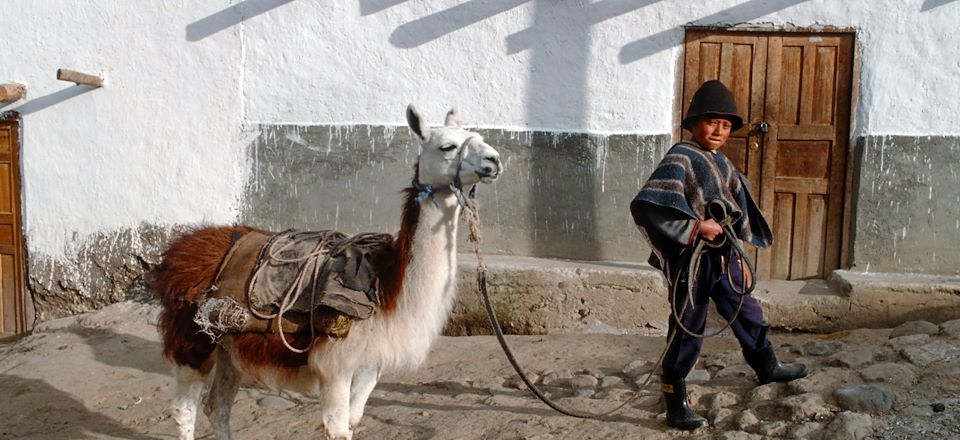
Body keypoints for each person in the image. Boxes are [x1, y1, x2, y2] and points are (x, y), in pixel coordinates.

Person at [630, 80, 808, 431]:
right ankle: (675, 396)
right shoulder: (679, 157)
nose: (718, 130)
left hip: (724, 257)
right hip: (691, 261)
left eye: (725, 125)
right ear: (694, 123)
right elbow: (652, 205)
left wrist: (739, 248)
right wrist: (696, 228)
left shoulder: (723, 164)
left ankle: (766, 366)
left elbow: (738, 207)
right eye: (711, 122)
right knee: (687, 326)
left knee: (748, 311)